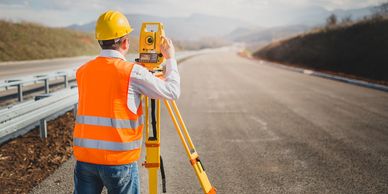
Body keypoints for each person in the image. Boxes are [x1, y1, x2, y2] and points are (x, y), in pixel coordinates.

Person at [72, 10, 180, 194]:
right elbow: (172, 91)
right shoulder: (132, 73)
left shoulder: (83, 70)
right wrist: (170, 58)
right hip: (119, 162)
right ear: (125, 42)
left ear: (100, 40)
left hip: (85, 160)